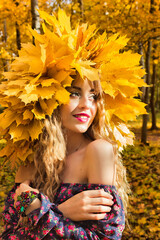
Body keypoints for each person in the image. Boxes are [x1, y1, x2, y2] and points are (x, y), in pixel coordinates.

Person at [0, 9, 146, 240]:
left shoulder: (98, 152)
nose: (87, 106)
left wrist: (38, 210)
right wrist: (63, 211)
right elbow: (8, 235)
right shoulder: (31, 158)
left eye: (94, 96)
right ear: (48, 96)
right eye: (74, 93)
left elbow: (104, 238)